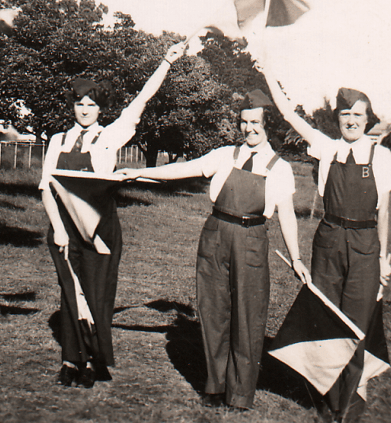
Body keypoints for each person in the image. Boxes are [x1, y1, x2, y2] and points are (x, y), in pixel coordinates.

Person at [118, 90, 309, 410]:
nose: (249, 129)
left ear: (267, 125)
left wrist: (297, 258)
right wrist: (140, 172)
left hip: (251, 239)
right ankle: (215, 384)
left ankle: (240, 394)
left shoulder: (280, 168)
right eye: (244, 122)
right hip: (215, 235)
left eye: (256, 123)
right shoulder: (224, 155)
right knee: (213, 310)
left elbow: (287, 215)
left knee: (248, 317)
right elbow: (184, 169)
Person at [40, 42, 187, 388]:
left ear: (100, 108)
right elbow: (46, 186)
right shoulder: (58, 139)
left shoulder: (110, 137)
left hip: (100, 229)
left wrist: (166, 62)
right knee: (68, 290)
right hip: (64, 228)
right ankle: (69, 360)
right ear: (72, 107)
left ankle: (92, 361)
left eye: (91, 104)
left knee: (97, 292)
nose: (85, 110)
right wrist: (58, 229)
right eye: (80, 104)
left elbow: (142, 101)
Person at [262, 69, 391, 422]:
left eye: (358, 115)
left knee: (357, 323)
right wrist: (269, 73)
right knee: (327, 318)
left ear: (368, 119)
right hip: (328, 242)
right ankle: (326, 397)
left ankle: (350, 403)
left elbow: (383, 212)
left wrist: (383, 259)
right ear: (336, 119)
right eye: (345, 114)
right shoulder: (326, 148)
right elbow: (289, 116)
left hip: (365, 244)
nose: (351, 121)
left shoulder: (381, 156)